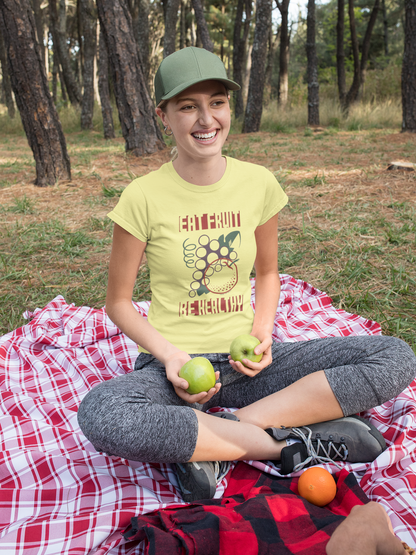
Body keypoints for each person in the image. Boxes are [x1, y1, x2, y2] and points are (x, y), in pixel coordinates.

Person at [77, 47, 416, 503]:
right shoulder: (142, 197)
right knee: (103, 413)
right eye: (187, 106)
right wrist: (171, 357)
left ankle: (216, 440)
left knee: (393, 355)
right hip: (173, 374)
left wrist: (261, 333)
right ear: (163, 115)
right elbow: (118, 302)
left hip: (250, 369)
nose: (206, 119)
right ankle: (286, 445)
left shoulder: (258, 183)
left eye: (216, 102)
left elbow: (269, 271)